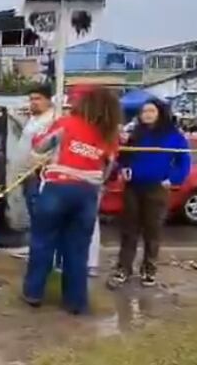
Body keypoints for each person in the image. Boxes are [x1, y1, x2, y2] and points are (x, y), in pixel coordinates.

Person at [22, 87, 121, 315]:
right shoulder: (108, 134)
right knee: (77, 250)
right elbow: (109, 168)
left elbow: (40, 145)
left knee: (42, 242)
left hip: (58, 188)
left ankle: (34, 292)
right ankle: (75, 302)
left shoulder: (68, 123)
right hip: (87, 194)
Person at [108, 99, 191, 289]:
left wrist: (172, 179)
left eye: (151, 111)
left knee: (152, 232)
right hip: (132, 188)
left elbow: (183, 161)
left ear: (160, 113)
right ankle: (123, 269)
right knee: (129, 231)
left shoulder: (173, 136)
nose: (147, 114)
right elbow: (122, 157)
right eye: (144, 111)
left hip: (157, 190)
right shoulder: (135, 134)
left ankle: (149, 270)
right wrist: (124, 168)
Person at [10, 85, 55, 259]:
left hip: (38, 174)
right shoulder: (33, 119)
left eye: (38, 99)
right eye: (31, 99)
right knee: (32, 212)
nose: (33, 103)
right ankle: (34, 246)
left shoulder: (51, 120)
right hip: (26, 174)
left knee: (40, 213)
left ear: (48, 100)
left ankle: (41, 250)